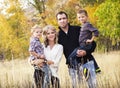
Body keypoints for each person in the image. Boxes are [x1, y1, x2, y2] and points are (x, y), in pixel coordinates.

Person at [56, 11, 99, 88]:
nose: (62, 20)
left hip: (87, 62)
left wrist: (85, 52)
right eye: (60, 19)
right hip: (73, 67)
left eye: (64, 18)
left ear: (67, 19)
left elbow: (93, 44)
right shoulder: (57, 36)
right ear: (57, 21)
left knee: (93, 86)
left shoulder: (78, 29)